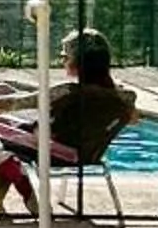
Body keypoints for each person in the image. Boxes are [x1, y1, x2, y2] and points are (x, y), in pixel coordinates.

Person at [47, 28, 139, 164]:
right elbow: (134, 119)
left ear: (78, 61)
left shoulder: (68, 92)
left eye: (65, 57)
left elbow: (15, 104)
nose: (62, 62)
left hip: (56, 156)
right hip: (88, 157)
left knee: (4, 150)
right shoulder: (123, 99)